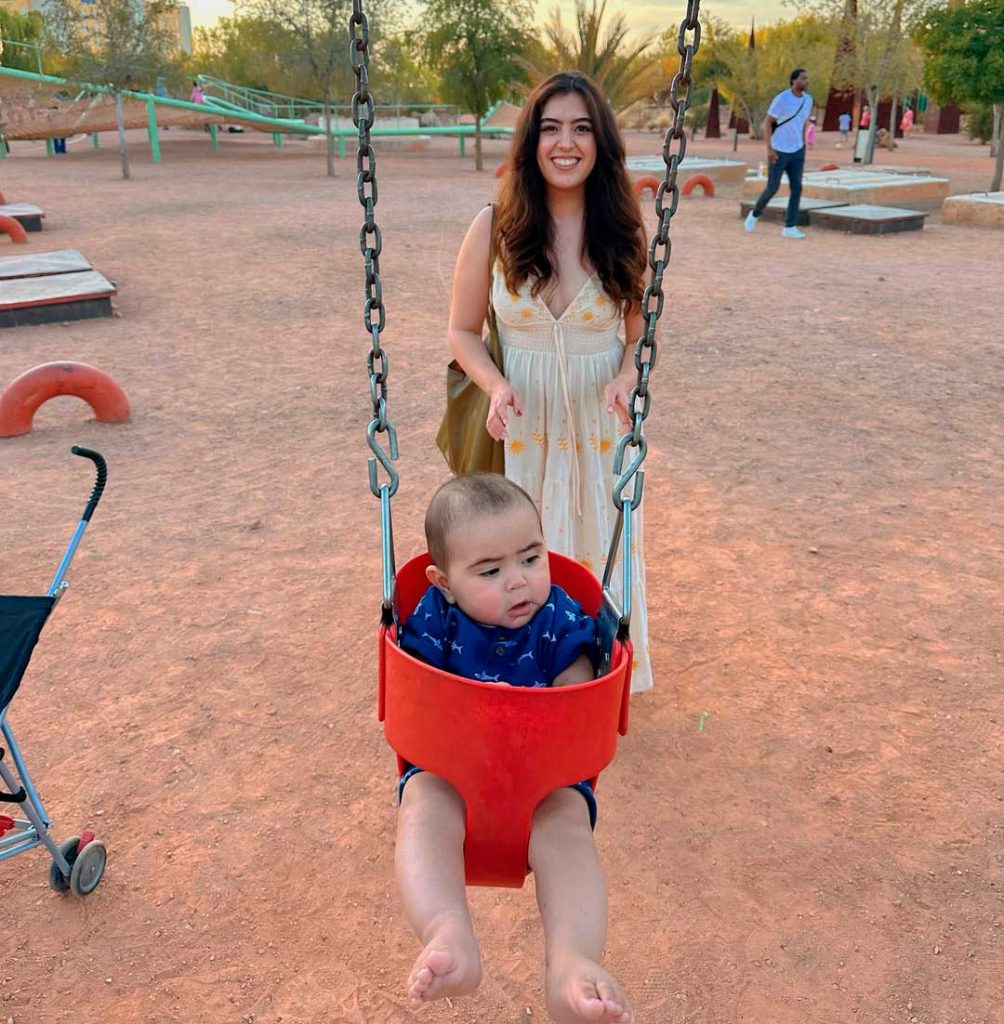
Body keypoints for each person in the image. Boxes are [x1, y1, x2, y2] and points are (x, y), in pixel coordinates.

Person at [397, 473, 633, 1023]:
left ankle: (572, 964)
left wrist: (561, 699)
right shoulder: (433, 619)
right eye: (490, 571)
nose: (518, 582)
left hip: (543, 782)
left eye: (531, 558)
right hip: (452, 773)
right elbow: (417, 688)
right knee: (423, 803)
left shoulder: (561, 616)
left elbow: (576, 687)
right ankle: (446, 930)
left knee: (567, 827)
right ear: (444, 582)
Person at [446, 70, 654, 694]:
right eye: (552, 128)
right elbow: (461, 331)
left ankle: (594, 683)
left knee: (598, 547)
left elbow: (641, 334)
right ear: (531, 141)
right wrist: (495, 385)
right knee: (521, 554)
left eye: (582, 129)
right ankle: (525, 679)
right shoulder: (494, 226)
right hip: (524, 425)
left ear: (600, 142)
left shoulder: (623, 230)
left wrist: (626, 376)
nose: (566, 144)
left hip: (598, 422)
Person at [744, 68, 814, 239]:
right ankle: (755, 213)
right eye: (803, 78)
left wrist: (803, 144)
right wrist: (769, 149)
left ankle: (790, 226)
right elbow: (768, 123)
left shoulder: (808, 100)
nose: (806, 81)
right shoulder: (782, 99)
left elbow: (802, 123)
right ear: (794, 81)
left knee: (796, 187)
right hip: (779, 150)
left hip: (797, 150)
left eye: (807, 78)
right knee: (772, 187)